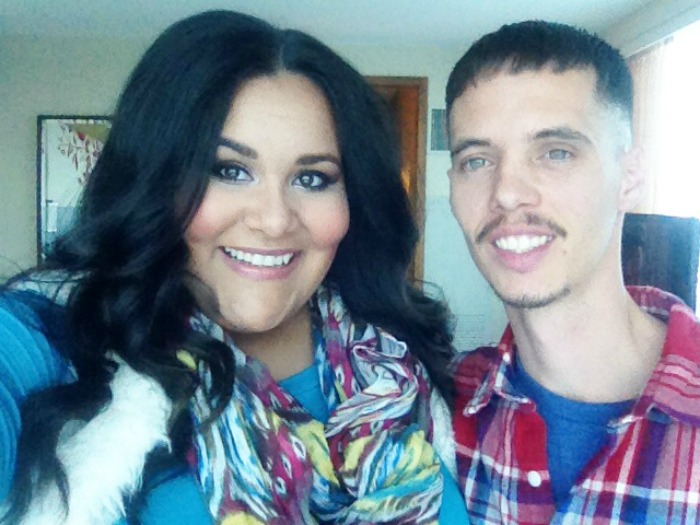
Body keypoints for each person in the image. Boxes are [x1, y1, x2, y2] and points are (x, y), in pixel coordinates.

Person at [0, 10, 470, 525]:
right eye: (229, 170)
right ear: (157, 183)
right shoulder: (59, 335)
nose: (274, 220)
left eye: (312, 178)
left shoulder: (402, 361)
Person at [446, 20, 700, 524]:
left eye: (556, 153)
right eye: (476, 160)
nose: (507, 192)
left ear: (630, 177)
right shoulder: (435, 409)